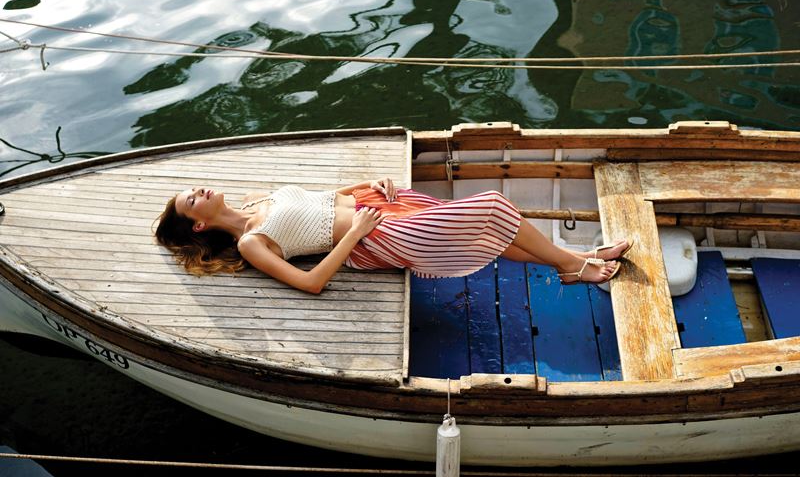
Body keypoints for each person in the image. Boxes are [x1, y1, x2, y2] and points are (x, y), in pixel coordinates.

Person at [155, 177, 629, 294]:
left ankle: (579, 257)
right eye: (191, 200)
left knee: (492, 236)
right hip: (376, 237)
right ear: (198, 225)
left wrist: (367, 185)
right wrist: (356, 232)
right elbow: (311, 283)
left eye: (194, 188)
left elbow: (324, 200)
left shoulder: (257, 199)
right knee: (492, 206)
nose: (199, 191)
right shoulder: (250, 242)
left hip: (379, 205)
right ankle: (573, 265)